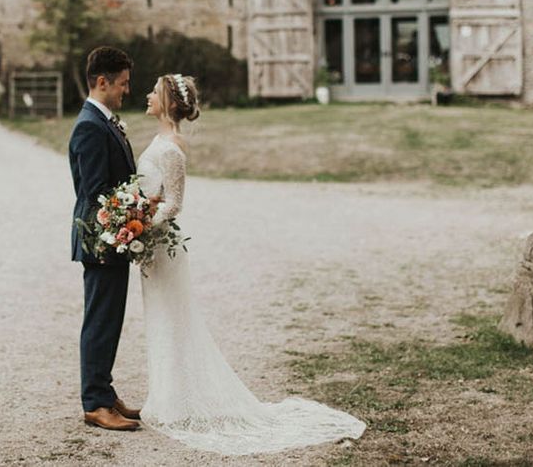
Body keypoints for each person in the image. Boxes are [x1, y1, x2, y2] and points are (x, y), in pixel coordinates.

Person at [136, 73, 366, 455]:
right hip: (151, 245)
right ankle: (165, 396)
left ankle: (175, 402)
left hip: (162, 245)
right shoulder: (160, 141)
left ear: (168, 103)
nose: (147, 96)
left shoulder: (172, 147)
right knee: (159, 317)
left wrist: (141, 225)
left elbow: (174, 204)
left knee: (172, 318)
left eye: (153, 93)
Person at [68, 46, 141, 431]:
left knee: (109, 320)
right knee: (99, 320)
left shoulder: (105, 121)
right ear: (102, 82)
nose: (126, 90)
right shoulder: (89, 127)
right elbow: (95, 193)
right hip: (100, 241)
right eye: (123, 84)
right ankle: (95, 401)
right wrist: (130, 216)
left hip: (113, 240)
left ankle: (104, 390)